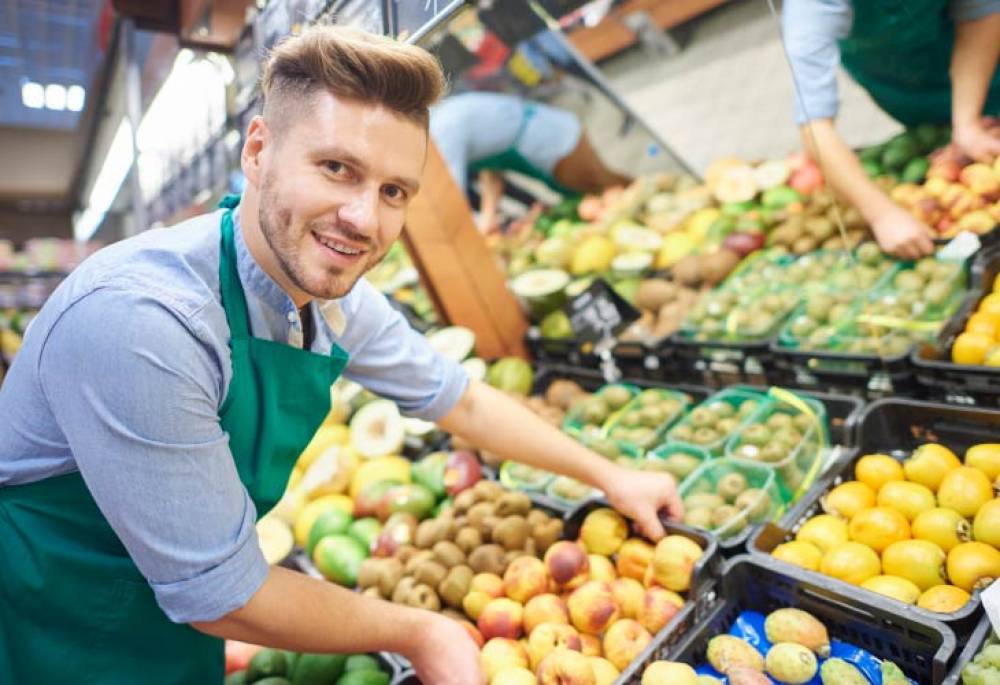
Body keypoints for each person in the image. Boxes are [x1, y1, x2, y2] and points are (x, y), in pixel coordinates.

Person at [0, 26, 682, 685]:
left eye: (393, 191)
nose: (363, 218)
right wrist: (419, 629)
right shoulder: (145, 323)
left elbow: (458, 396)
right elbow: (221, 596)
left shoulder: (326, 295)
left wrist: (608, 472)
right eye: (336, 168)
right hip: (49, 626)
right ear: (259, 151)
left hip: (164, 619)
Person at [782, 0, 1000, 258]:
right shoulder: (811, 7)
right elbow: (814, 124)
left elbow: (980, 13)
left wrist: (967, 124)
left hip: (976, 55)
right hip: (899, 79)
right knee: (932, 136)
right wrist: (882, 214)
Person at [430, 91, 631, 231]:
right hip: (550, 144)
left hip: (558, 143)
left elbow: (452, 201)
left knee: (613, 194)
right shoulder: (442, 120)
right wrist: (488, 217)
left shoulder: (441, 131)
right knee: (598, 204)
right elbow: (491, 170)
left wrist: (481, 227)